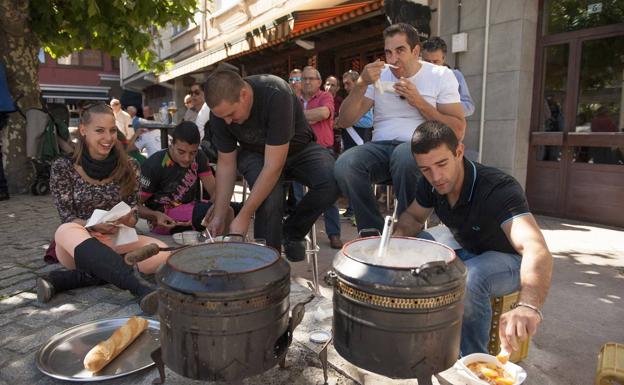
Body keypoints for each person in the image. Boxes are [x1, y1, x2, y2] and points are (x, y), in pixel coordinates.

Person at [394, 120, 553, 356]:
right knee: (414, 250)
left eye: (441, 163)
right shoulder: (430, 182)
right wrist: (395, 239)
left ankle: (471, 363)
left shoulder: (497, 188)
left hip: (510, 260)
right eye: (425, 169)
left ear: (459, 152)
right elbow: (414, 217)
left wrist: (528, 306)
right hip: (468, 246)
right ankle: (427, 337)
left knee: (469, 278)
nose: (435, 177)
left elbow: (535, 248)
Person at [38, 103, 169, 313]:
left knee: (162, 251)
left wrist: (127, 219)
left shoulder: (131, 166)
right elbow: (67, 217)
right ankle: (137, 285)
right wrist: (94, 225)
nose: (108, 138)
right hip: (78, 242)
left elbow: (133, 212)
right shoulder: (63, 167)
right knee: (64, 230)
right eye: (99, 131)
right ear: (83, 130)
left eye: (112, 130)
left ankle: (67, 279)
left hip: (117, 238)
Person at [335, 23, 465, 233]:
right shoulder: (378, 75)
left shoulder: (440, 75)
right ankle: (371, 230)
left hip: (420, 147)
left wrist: (419, 102)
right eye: (388, 52)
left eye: (400, 51)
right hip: (381, 148)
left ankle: (408, 230)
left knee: (405, 155)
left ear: (415, 51)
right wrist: (361, 83)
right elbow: (345, 121)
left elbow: (458, 129)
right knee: (346, 163)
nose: (393, 59)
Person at [204, 70, 339, 261]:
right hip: (254, 153)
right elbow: (226, 163)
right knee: (269, 197)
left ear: (244, 94)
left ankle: (292, 231)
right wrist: (219, 214)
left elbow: (273, 166)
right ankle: (267, 263)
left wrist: (243, 216)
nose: (227, 121)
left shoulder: (276, 92)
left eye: (231, 114)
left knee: (333, 178)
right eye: (222, 117)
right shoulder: (219, 113)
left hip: (299, 148)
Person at [138, 121, 234, 234]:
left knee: (229, 209)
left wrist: (214, 208)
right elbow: (134, 206)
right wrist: (154, 215)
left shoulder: (199, 157)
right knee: (225, 212)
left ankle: (220, 246)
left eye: (192, 153)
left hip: (191, 207)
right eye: (181, 152)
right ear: (171, 144)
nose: (187, 158)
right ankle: (220, 248)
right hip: (163, 218)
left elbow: (214, 191)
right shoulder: (153, 165)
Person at [297, 66, 342, 249]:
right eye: (304, 78)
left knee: (329, 194)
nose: (307, 82)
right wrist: (309, 117)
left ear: (319, 82)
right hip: (298, 151)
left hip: (322, 151)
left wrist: (297, 118)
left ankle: (334, 234)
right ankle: (299, 235)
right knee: (299, 197)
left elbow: (323, 113)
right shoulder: (295, 99)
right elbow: (287, 118)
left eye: (311, 79)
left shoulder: (325, 96)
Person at [422, 36, 475, 117]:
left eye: (435, 62)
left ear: (443, 59)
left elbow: (469, 107)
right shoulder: (416, 74)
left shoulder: (455, 75)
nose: (431, 66)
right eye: (427, 62)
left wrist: (443, 107)